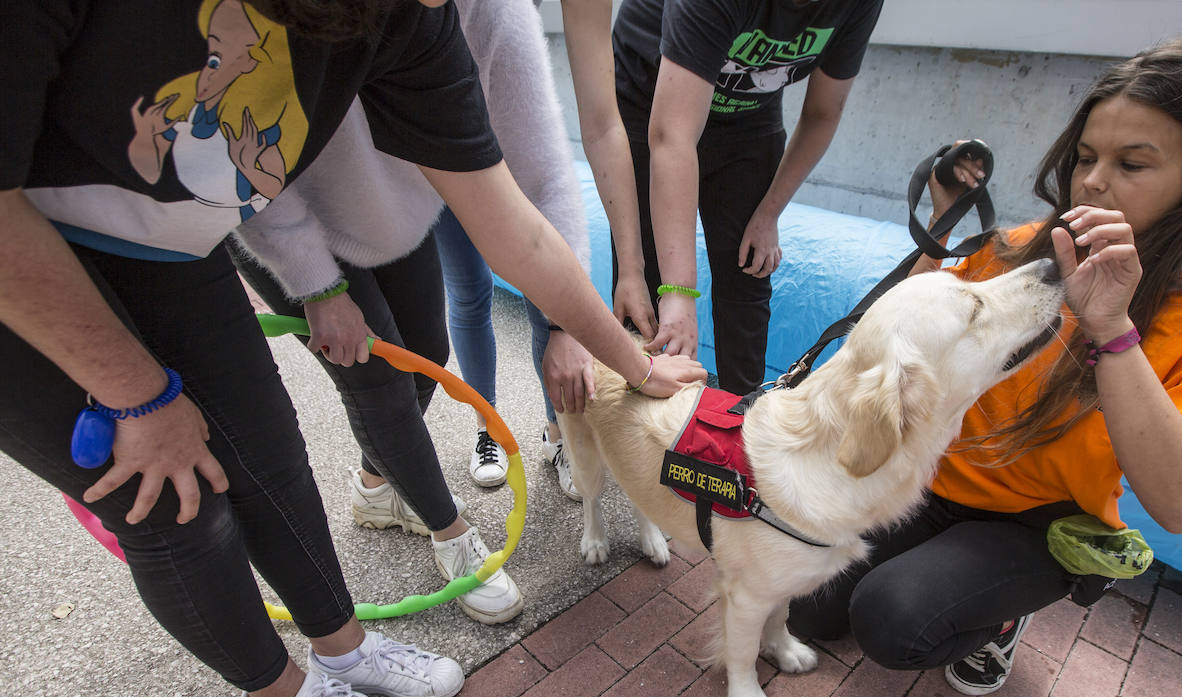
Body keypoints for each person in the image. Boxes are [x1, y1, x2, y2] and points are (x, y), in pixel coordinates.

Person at [1, 0, 703, 697]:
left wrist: (634, 364)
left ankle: (343, 649)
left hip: (172, 248)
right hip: (29, 259)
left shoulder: (412, 12)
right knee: (175, 501)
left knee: (269, 456)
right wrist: (136, 390)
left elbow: (515, 222)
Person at [787, 35, 1182, 696]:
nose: (1095, 182)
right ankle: (931, 574)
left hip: (1036, 519)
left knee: (893, 617)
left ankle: (996, 621)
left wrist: (1111, 328)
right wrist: (942, 219)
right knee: (804, 608)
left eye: (1133, 164)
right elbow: (916, 324)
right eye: (1085, 157)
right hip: (935, 481)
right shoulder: (1020, 248)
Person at [230, 100, 524, 626]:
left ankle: (375, 488)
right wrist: (318, 286)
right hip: (271, 201)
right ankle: (451, 534)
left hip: (380, 187)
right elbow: (237, 154)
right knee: (376, 380)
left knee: (425, 352)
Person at [438, 0, 659, 500]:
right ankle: (488, 429)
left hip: (514, 135)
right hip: (435, 142)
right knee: (469, 291)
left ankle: (557, 433)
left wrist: (631, 269)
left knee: (553, 307)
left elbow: (601, 124)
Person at [612, 0, 885, 394]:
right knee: (649, 281)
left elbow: (823, 113)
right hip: (651, 95)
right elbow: (672, 138)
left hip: (747, 114)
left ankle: (739, 424)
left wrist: (769, 213)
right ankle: (644, 430)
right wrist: (678, 292)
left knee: (748, 269)